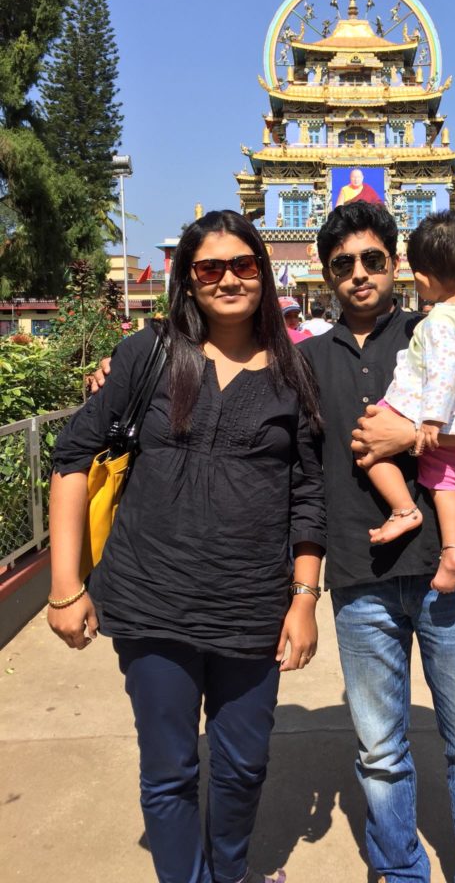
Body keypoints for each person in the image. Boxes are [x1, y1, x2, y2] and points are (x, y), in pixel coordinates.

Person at [49, 210, 326, 883]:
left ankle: (229, 875)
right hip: (152, 601)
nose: (229, 279)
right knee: (170, 772)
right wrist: (65, 588)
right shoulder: (149, 355)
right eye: (211, 268)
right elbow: (72, 456)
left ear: (263, 271)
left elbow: (308, 493)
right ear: (188, 280)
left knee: (242, 767)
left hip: (251, 606)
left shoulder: (295, 372)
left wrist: (305, 598)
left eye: (244, 265)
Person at [301, 201, 455, 882]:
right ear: (327, 275)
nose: (359, 275)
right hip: (359, 577)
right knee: (379, 752)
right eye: (343, 265)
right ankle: (399, 872)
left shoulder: (437, 329)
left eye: (372, 260)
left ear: (398, 265)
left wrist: (418, 435)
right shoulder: (305, 361)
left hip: (450, 573)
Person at [362, 211, 455, 593]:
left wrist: (429, 421)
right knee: (446, 482)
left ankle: (404, 509)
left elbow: (443, 371)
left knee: (368, 445)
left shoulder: (439, 321)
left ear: (422, 279)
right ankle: (453, 550)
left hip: (421, 406)